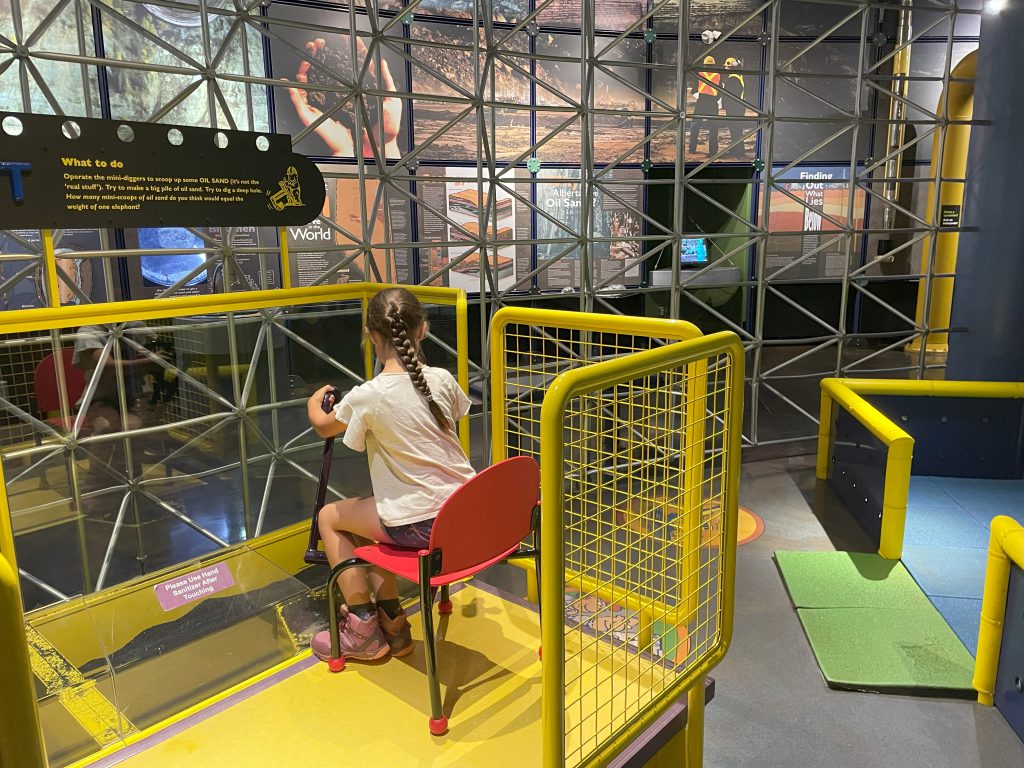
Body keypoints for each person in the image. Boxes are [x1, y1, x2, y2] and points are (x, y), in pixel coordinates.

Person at [306, 287, 475, 662]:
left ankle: (363, 628)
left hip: (422, 525)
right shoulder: (442, 378)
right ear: (423, 330)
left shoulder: (369, 395)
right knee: (381, 514)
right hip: (466, 516)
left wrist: (312, 403)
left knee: (330, 519)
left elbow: (323, 425)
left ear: (371, 337)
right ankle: (395, 627)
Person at [688, 55, 721, 158]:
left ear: (704, 64)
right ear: (714, 64)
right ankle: (713, 152)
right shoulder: (718, 75)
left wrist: (699, 97)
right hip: (712, 103)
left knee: (695, 126)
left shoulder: (700, 74)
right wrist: (715, 99)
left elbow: (694, 90)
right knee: (713, 128)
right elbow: (721, 91)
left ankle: (692, 149)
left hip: (701, 102)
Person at [722, 57, 746, 158]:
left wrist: (725, 105)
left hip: (734, 108)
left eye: (727, 66)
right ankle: (736, 151)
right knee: (736, 130)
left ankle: (739, 153)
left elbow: (729, 95)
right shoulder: (737, 76)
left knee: (735, 130)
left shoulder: (732, 79)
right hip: (738, 107)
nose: (726, 68)